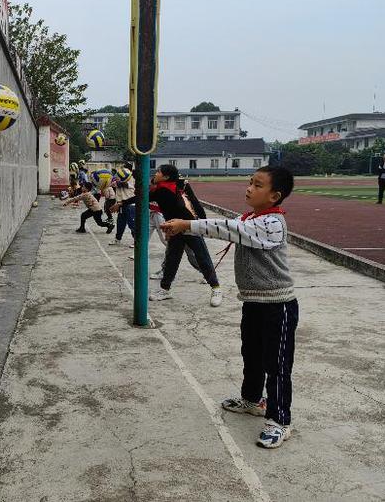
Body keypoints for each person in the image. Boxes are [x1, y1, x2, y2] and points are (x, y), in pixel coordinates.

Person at [162, 166, 299, 449]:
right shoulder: (251, 216)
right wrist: (186, 224)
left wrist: (188, 225)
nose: (249, 188)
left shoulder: (272, 223)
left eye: (257, 185)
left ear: (275, 195)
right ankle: (252, 400)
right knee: (251, 353)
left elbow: (228, 229)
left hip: (278, 306)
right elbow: (232, 225)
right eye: (250, 182)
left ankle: (280, 420)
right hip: (254, 302)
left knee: (277, 365)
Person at [149, 165, 222, 307]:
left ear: (166, 176)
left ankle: (216, 288)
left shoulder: (182, 185)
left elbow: (194, 202)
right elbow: (142, 197)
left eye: (158, 172)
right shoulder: (158, 189)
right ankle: (165, 289)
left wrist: (202, 222)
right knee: (172, 259)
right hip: (175, 228)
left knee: (202, 257)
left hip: (189, 226)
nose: (155, 173)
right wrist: (121, 203)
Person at [108, 168, 136, 246]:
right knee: (120, 223)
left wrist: (117, 181)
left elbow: (122, 184)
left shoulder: (130, 180)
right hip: (121, 204)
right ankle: (117, 239)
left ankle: (136, 241)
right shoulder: (117, 181)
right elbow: (114, 184)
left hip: (130, 205)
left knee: (132, 224)